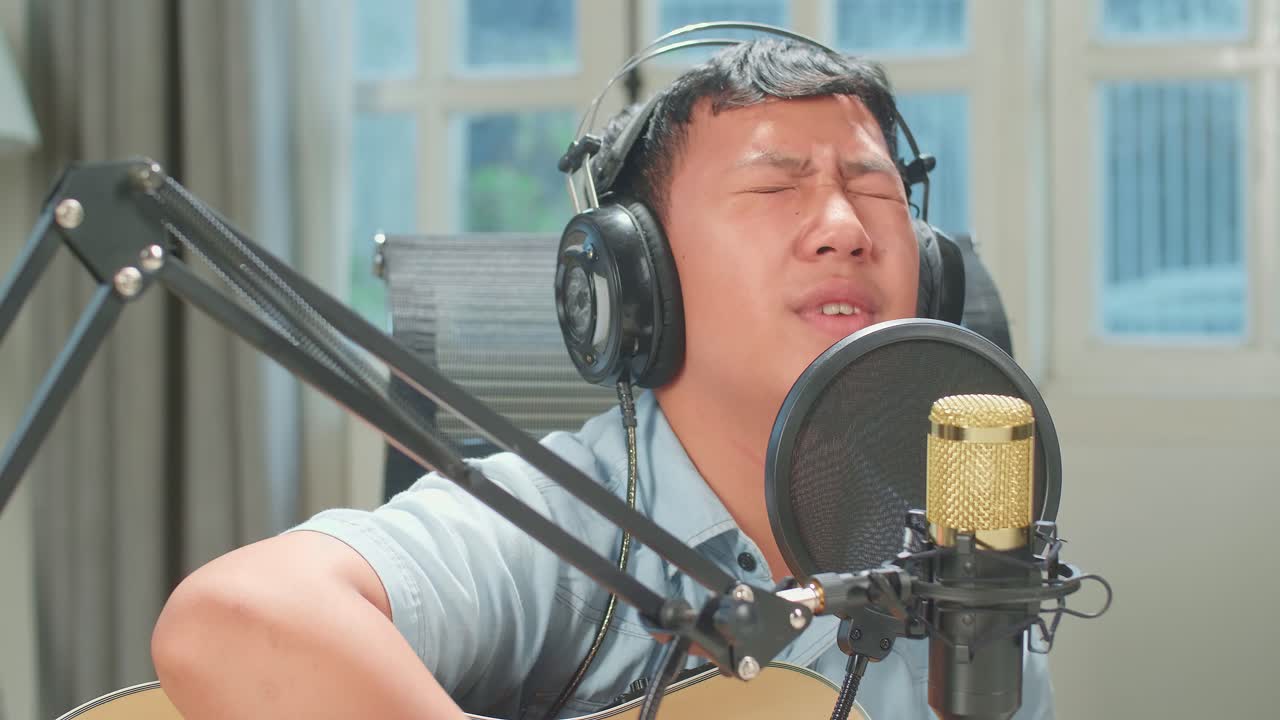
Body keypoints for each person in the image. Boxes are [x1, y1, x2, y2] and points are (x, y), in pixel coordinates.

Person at [150, 38, 1053, 719]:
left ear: (929, 276)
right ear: (637, 280)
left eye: (875, 191)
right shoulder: (558, 520)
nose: (844, 228)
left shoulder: (970, 562)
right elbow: (235, 619)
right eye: (776, 188)